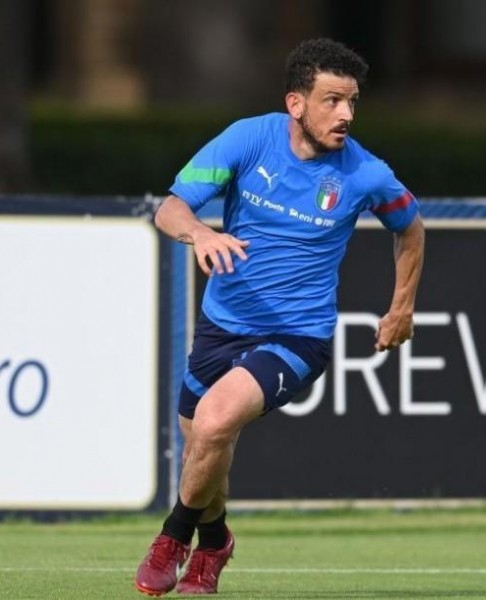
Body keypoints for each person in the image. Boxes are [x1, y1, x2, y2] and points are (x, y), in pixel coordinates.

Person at [134, 38, 425, 596]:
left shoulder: (365, 173)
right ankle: (215, 540)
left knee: (216, 422)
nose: (345, 115)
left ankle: (171, 539)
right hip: (221, 324)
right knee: (202, 448)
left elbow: (410, 228)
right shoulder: (248, 138)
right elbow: (170, 208)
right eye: (332, 101)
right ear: (297, 103)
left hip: (298, 335)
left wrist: (402, 307)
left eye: (352, 101)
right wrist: (198, 231)